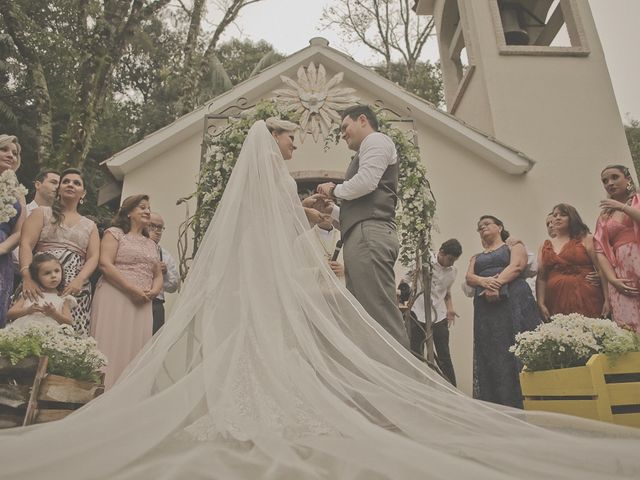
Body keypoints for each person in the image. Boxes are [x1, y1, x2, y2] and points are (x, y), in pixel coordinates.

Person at [0, 120, 639, 480]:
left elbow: (285, 227)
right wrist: (319, 221)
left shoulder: (269, 185)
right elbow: (282, 233)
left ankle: (257, 405)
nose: (293, 145)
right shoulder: (270, 180)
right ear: (269, 141)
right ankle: (263, 408)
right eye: (287, 138)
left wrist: (316, 215)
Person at [317, 105, 409, 348]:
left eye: (345, 127)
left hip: (370, 234)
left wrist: (334, 190)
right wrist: (331, 211)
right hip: (361, 234)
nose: (343, 134)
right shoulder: (365, 149)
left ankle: (402, 380)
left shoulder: (376, 140)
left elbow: (366, 182)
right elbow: (360, 206)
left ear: (362, 120)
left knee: (379, 312)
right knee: (364, 316)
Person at [466, 215, 541, 408]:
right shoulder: (475, 257)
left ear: (499, 227)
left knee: (516, 344)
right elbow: (469, 277)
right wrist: (484, 282)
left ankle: (526, 399)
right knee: (491, 351)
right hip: (485, 309)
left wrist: (496, 284)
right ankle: (495, 401)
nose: (482, 228)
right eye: (479, 227)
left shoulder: (513, 246)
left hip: (513, 300)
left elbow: (517, 266)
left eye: (487, 224)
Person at [89, 194, 162, 389]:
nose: (147, 211)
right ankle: (101, 393)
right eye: (141, 207)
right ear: (129, 213)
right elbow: (105, 264)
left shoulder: (152, 244)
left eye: (148, 207)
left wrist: (154, 291)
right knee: (110, 345)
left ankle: (126, 396)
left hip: (142, 303)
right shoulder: (115, 233)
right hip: (115, 296)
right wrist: (131, 289)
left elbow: (157, 273)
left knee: (134, 348)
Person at [19, 168, 99, 335]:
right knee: (31, 331)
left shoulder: (90, 225)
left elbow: (93, 257)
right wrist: (27, 276)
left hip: (74, 288)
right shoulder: (42, 213)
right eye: (66, 181)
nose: (71, 184)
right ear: (59, 189)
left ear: (83, 193)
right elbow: (26, 244)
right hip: (38, 281)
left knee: (66, 337)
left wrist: (80, 280)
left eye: (77, 183)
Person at [537, 204, 607, 321]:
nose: (557, 218)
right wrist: (541, 303)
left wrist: (607, 300)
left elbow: (602, 269)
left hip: (585, 295)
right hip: (554, 298)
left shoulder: (586, 238)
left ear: (572, 218)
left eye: (563, 215)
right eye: (555, 215)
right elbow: (541, 277)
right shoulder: (544, 245)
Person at [408, 239, 462, 386]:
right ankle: (417, 388)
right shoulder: (424, 262)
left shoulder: (453, 271)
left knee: (444, 355)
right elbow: (406, 281)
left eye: (454, 260)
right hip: (417, 312)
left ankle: (452, 391)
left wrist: (450, 308)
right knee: (416, 353)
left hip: (439, 315)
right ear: (441, 253)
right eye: (450, 259)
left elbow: (446, 292)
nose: (451, 263)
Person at [594, 165, 640, 331]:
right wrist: (612, 279)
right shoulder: (605, 216)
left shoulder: (638, 201)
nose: (609, 183)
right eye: (605, 181)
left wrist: (623, 207)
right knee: (629, 324)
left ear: (628, 179)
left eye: (615, 177)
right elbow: (599, 250)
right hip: (620, 271)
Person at [7, 252, 75, 328]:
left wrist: (54, 313)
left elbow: (69, 322)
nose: (53, 275)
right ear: (36, 276)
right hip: (25, 332)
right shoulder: (31, 293)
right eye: (47, 273)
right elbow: (10, 314)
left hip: (50, 334)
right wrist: (27, 310)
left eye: (57, 271)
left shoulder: (64, 297)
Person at [0, 134, 26, 327]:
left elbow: (19, 231)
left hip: (3, 254)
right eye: (5, 150)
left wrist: (1, 249)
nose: (11, 155)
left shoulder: (18, 192)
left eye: (14, 153)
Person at [148, 212, 179, 334]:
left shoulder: (165, 255)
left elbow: (173, 287)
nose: (157, 231)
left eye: (160, 227)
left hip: (156, 305)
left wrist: (164, 273)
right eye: (152, 226)